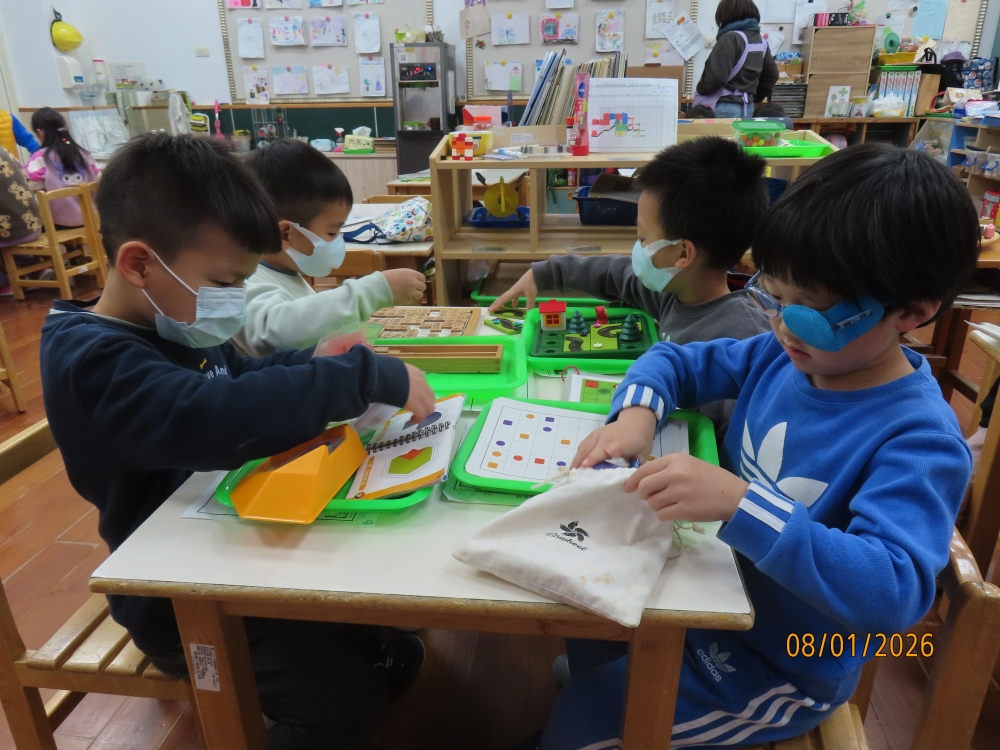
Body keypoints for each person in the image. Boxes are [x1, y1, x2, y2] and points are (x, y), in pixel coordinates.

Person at [537, 144, 977, 749]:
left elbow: (893, 591)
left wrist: (741, 504)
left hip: (779, 662)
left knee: (582, 716)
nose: (783, 324)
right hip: (710, 588)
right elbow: (674, 360)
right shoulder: (782, 353)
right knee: (583, 608)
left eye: (811, 312)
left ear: (912, 312)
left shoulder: (921, 439)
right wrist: (637, 414)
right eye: (773, 296)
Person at [40, 134, 436, 750]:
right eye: (226, 281)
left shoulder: (177, 317)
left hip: (234, 549)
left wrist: (314, 361)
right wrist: (354, 378)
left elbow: (240, 375)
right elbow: (208, 415)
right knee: (348, 704)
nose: (234, 302)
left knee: (377, 629)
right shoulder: (93, 358)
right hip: (174, 597)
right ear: (139, 264)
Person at [489, 137, 771, 447]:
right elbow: (614, 273)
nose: (637, 249)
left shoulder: (746, 341)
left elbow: (738, 447)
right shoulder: (677, 290)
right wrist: (545, 273)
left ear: (682, 254)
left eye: (643, 238)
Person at [233, 139, 426, 357]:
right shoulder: (241, 281)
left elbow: (305, 337)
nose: (337, 241)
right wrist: (374, 290)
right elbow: (277, 333)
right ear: (285, 234)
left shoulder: (285, 272)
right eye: (332, 233)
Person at [694, 0, 779, 119]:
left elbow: (716, 78)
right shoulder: (761, 42)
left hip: (723, 107)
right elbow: (772, 75)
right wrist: (757, 97)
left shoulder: (730, 38)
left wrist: (701, 89)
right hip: (747, 108)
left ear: (726, 15)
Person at [25, 107, 100, 227]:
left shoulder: (40, 157)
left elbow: (29, 186)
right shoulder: (84, 154)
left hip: (59, 223)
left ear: (40, 133)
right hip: (91, 218)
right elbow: (98, 179)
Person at [0, 145, 42, 295]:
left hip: (11, 232)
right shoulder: (3, 150)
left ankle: (3, 282)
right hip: (32, 224)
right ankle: (33, 267)